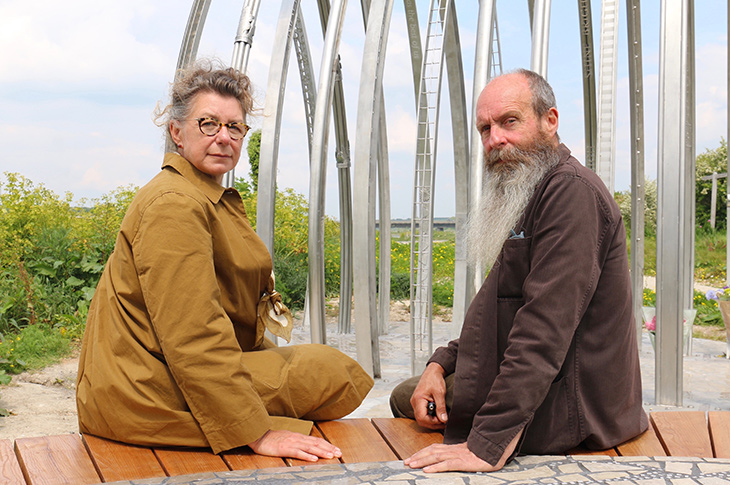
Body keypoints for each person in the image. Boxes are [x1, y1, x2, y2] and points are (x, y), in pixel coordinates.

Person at [76, 60, 373, 462]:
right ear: (177, 132)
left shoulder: (199, 194)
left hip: (152, 373)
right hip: (143, 391)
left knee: (319, 368)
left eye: (234, 127)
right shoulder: (174, 205)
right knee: (331, 372)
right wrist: (258, 433)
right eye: (208, 124)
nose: (223, 137)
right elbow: (193, 333)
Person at [390, 69, 647, 473]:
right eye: (485, 129)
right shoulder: (530, 191)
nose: (495, 140)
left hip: (577, 405)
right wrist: (439, 364)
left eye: (509, 121)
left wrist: (486, 445)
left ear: (550, 120)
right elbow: (496, 308)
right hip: (554, 382)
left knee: (412, 401)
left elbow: (544, 328)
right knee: (414, 394)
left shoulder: (571, 193)